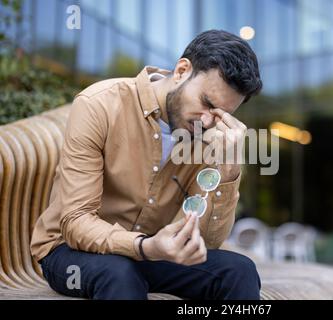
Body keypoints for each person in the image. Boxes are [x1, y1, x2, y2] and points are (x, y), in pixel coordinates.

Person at [30, 29, 263, 300]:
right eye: (206, 103)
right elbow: (76, 222)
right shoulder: (100, 105)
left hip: (153, 252)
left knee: (239, 270)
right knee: (119, 274)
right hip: (72, 252)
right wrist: (145, 247)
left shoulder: (209, 136)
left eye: (221, 114)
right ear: (181, 70)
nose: (209, 121)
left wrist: (229, 167)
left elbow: (208, 242)